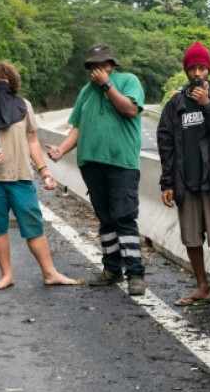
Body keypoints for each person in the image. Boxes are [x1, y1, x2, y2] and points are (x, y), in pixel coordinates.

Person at [0, 61, 78, 290]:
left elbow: (32, 141)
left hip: (22, 178)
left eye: (4, 79)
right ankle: (7, 275)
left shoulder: (24, 107)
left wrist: (44, 170)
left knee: (33, 226)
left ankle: (50, 273)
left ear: (12, 82)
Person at [45, 44, 147, 296]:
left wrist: (107, 86)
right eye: (93, 66)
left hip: (121, 163)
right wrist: (61, 150)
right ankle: (112, 269)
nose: (98, 70)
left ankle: (135, 274)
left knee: (124, 217)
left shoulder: (127, 81)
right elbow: (77, 127)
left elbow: (130, 109)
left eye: (103, 65)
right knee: (106, 220)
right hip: (91, 163)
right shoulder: (85, 92)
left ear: (112, 65)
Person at [157, 42, 210, 310]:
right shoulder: (176, 102)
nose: (197, 73)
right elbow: (166, 142)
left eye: (201, 67)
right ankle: (202, 286)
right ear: (186, 71)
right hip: (187, 181)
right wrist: (167, 181)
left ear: (209, 69)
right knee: (191, 237)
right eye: (192, 68)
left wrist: (207, 104)